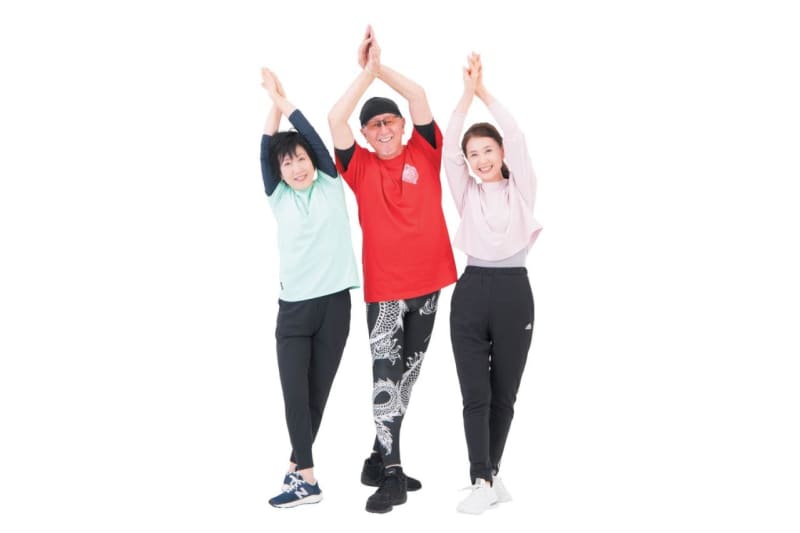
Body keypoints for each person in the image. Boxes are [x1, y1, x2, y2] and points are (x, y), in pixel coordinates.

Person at [328, 26, 457, 514]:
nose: (382, 130)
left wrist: (381, 68)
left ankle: (377, 458)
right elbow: (335, 118)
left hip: (430, 285)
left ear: (403, 125)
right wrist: (366, 74)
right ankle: (393, 472)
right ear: (365, 135)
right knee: (386, 378)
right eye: (373, 125)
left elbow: (419, 94)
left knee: (407, 377)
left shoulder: (426, 150)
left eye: (389, 121)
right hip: (385, 293)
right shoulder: (359, 167)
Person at [444, 54, 542, 514]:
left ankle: (491, 474)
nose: (480, 160)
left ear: (501, 153)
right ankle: (481, 477)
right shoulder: (467, 193)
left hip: (513, 294)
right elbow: (448, 148)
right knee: (475, 394)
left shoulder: (522, 189)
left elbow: (517, 135)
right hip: (470, 292)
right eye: (473, 155)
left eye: (488, 151)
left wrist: (484, 91)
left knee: (504, 393)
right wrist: (465, 96)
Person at [259, 67, 360, 508]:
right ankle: (308, 478)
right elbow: (265, 148)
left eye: (301, 159)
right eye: (288, 163)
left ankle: (299, 474)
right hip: (294, 311)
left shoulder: (330, 184)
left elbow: (315, 139)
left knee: (316, 395)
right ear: (279, 172)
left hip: (335, 306)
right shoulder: (278, 197)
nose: (297, 167)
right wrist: (273, 103)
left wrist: (284, 102)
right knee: (294, 395)